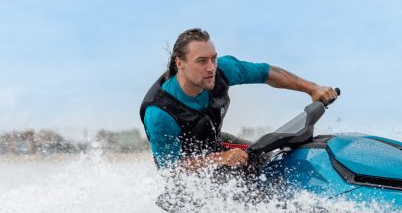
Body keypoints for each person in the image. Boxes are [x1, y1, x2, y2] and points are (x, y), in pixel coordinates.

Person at [140, 28, 338, 171]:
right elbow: (171, 167)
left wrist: (312, 88)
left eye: (213, 58)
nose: (211, 67)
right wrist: (221, 158)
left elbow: (265, 73)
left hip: (215, 142)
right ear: (180, 63)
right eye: (201, 61)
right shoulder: (159, 113)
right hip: (186, 175)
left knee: (272, 161)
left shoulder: (221, 70)